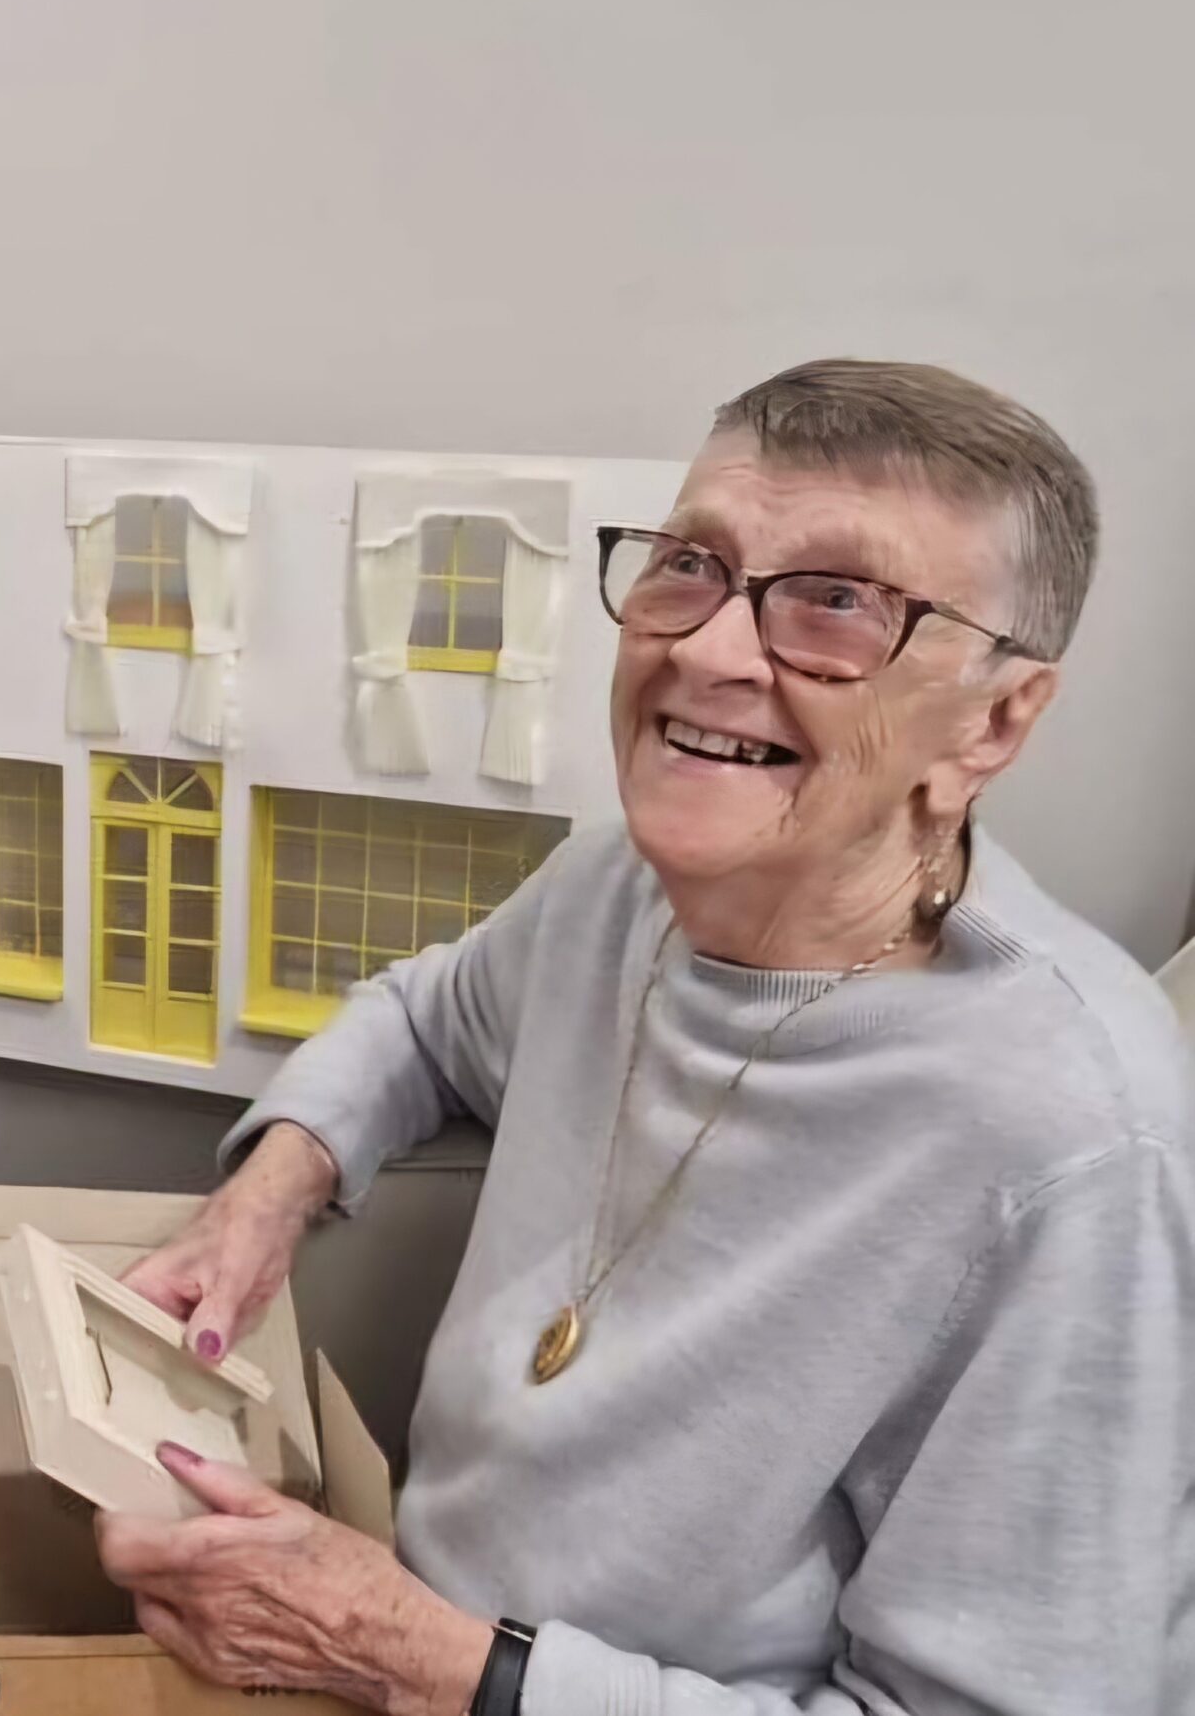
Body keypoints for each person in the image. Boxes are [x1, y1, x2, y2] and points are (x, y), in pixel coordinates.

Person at [98, 361, 1191, 1716]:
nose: (713, 650)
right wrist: (273, 1186)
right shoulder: (622, 887)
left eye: (839, 602)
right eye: (692, 563)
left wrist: (425, 1660)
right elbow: (429, 1018)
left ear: (995, 718)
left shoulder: (1076, 1139)